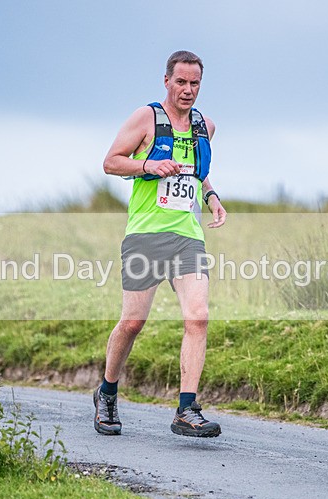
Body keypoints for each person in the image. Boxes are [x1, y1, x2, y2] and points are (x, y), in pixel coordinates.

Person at [94, 50, 227, 438]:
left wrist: (212, 196)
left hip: (187, 237)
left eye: (195, 83)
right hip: (145, 235)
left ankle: (187, 409)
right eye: (181, 82)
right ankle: (107, 392)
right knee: (134, 322)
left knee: (198, 315)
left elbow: (197, 172)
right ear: (166, 81)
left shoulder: (206, 126)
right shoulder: (146, 118)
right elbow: (110, 162)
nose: (188, 90)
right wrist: (148, 166)